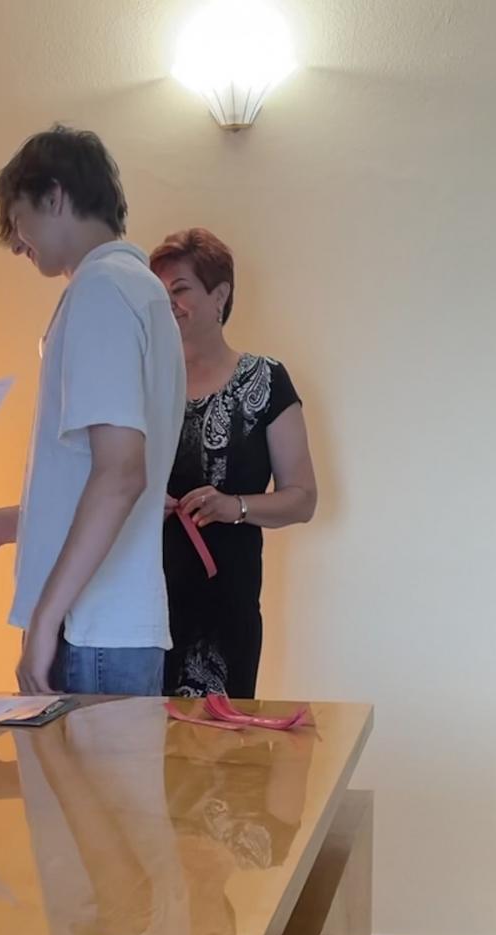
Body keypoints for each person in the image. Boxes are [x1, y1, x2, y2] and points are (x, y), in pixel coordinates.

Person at [0, 126, 184, 695]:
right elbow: (97, 481)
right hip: (110, 628)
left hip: (90, 631)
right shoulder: (140, 291)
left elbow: (121, 475)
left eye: (17, 220)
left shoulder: (102, 289)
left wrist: (47, 619)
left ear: (54, 196)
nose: (16, 244)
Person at [149, 228, 318, 698]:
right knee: (140, 740)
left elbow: (303, 498)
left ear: (220, 295)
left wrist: (235, 506)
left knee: (221, 742)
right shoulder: (143, 384)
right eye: (159, 293)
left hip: (226, 611)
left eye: (180, 289)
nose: (168, 304)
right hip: (142, 611)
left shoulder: (266, 379)